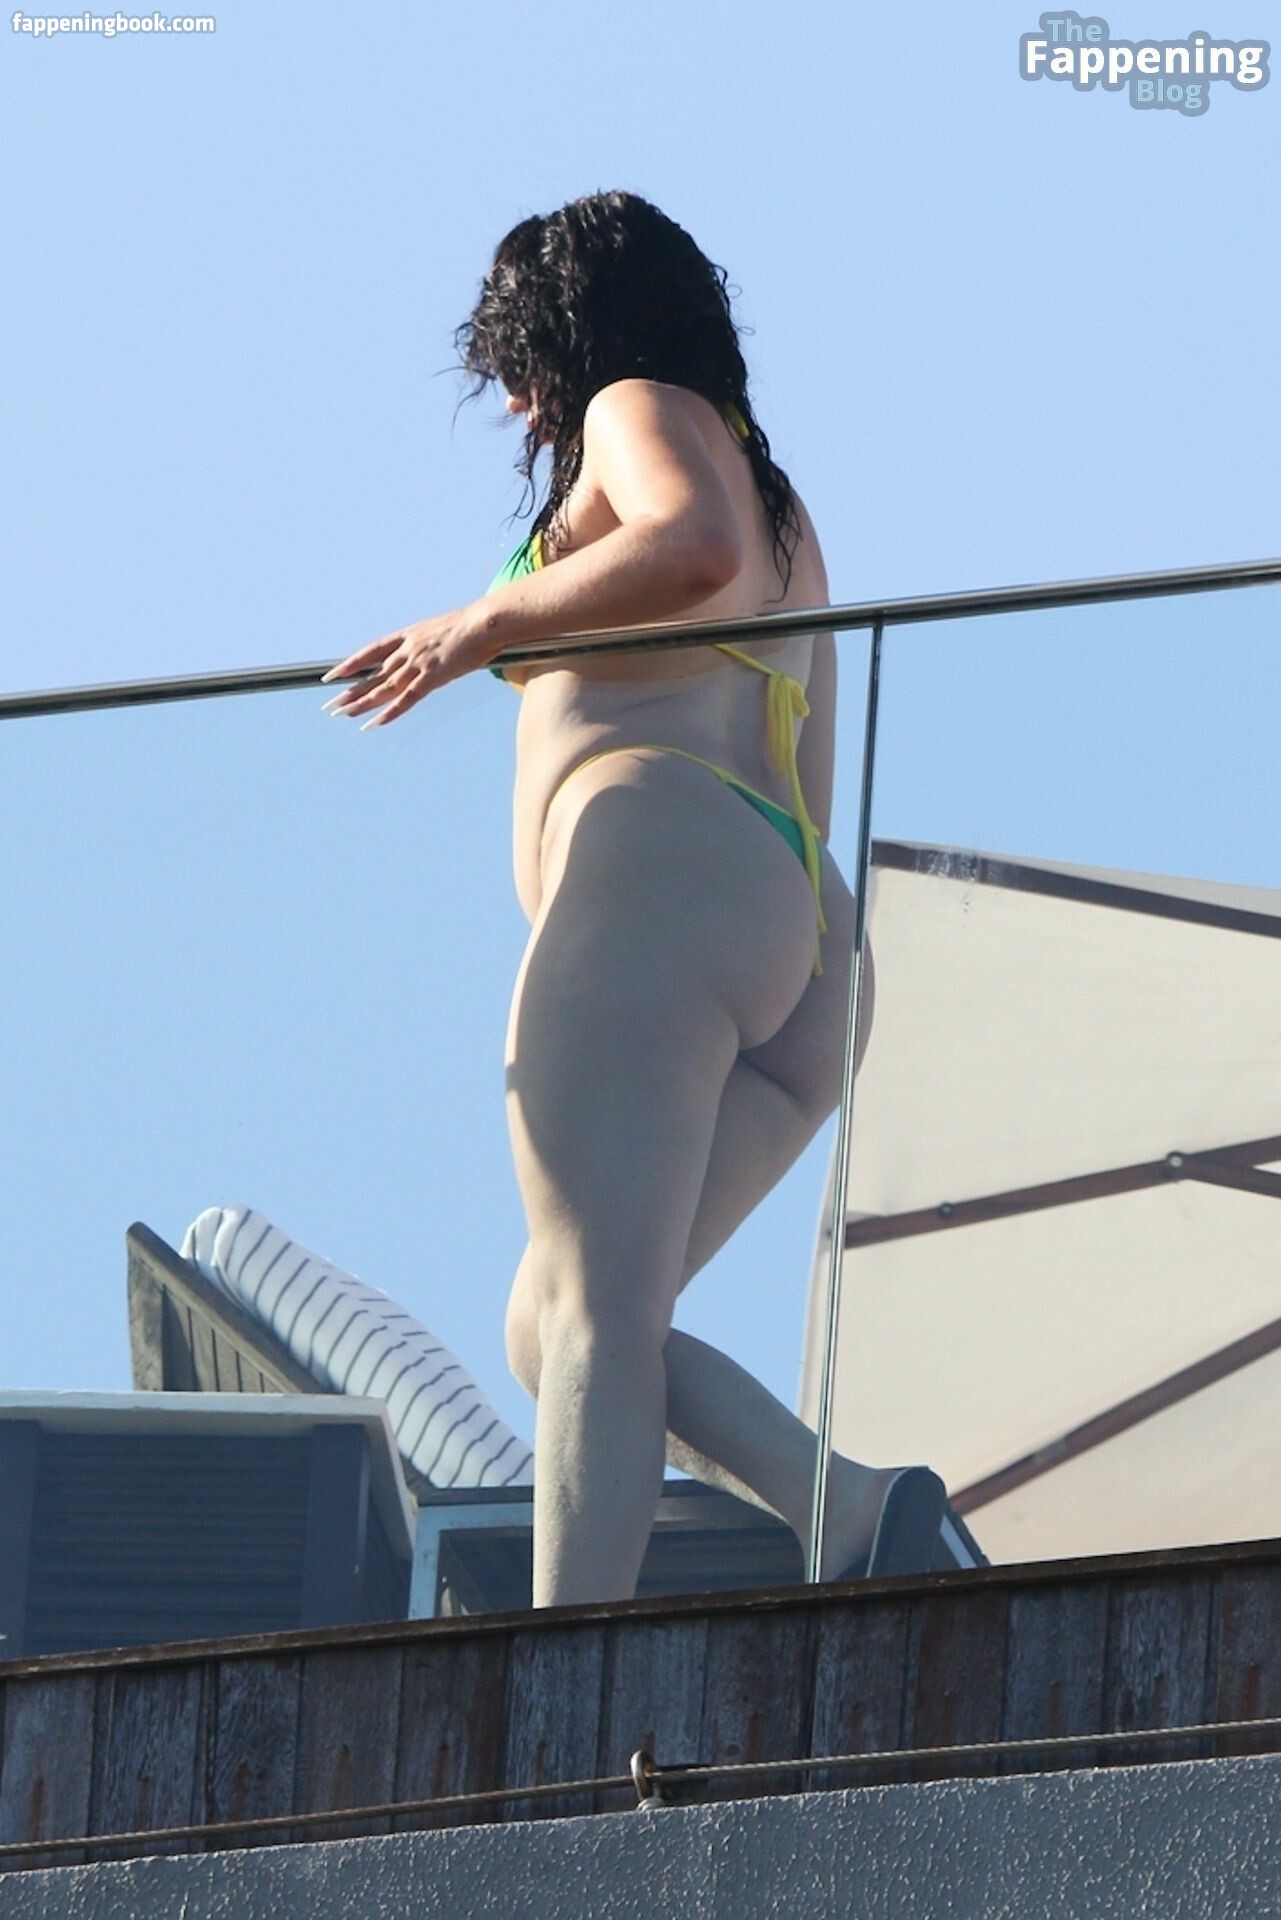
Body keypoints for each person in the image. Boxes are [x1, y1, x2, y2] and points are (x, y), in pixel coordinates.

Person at [320, 190, 945, 1607]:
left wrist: (477, 623)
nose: (521, 405)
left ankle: (564, 1680)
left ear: (570, 338)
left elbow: (688, 541)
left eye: (521, 367)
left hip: (660, 876)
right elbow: (780, 689)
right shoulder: (784, 501)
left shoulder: (637, 412)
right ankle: (845, 1508)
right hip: (794, 927)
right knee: (557, 1324)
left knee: (593, 1318)